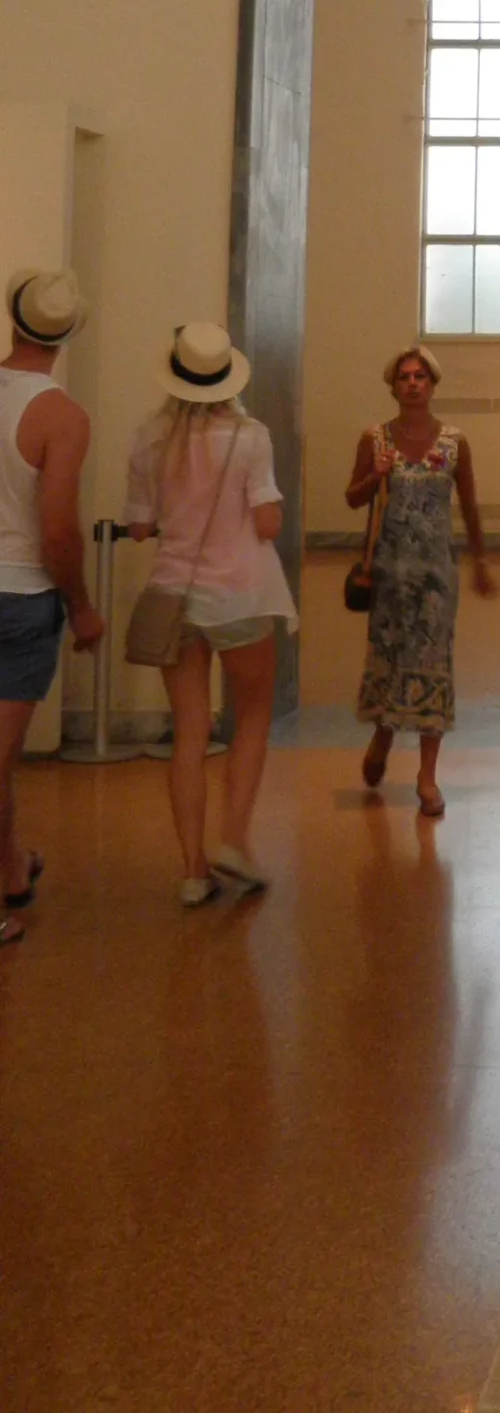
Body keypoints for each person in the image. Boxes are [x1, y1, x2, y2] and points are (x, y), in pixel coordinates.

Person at [124, 322, 294, 902]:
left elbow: (139, 526)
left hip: (175, 597)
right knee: (252, 715)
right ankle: (235, 840)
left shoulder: (150, 436)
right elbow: (267, 523)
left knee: (189, 732)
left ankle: (193, 872)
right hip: (241, 595)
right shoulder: (250, 436)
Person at [0, 270, 104, 948]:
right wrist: (83, 606)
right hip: (20, 595)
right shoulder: (61, 417)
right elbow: (59, 531)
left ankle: (11, 868)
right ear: (67, 335)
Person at [346, 346, 494, 818]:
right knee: (390, 660)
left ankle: (427, 776)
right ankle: (383, 735)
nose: (413, 383)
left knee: (433, 665)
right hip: (389, 574)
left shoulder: (453, 443)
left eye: (421, 376)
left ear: (432, 385)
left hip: (435, 577)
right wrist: (375, 474)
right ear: (393, 386)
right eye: (405, 377)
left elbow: (468, 504)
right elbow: (353, 498)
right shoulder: (375, 439)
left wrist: (480, 560)